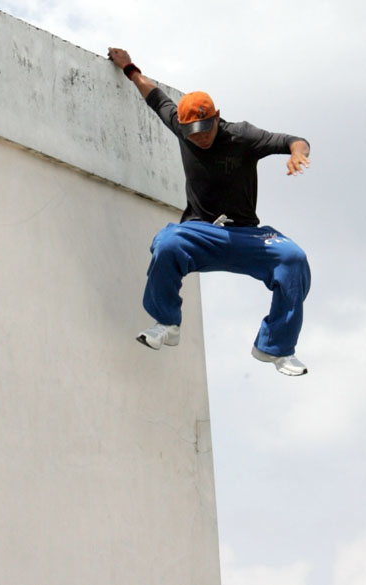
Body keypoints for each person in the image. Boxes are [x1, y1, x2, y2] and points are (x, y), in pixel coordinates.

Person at [108, 48, 311, 376]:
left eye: (206, 129)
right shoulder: (181, 126)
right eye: (192, 132)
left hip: (247, 235)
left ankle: (276, 347)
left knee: (294, 258)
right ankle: (167, 322)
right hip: (201, 232)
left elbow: (293, 140)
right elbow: (154, 96)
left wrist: (297, 155)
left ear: (217, 117)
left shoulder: (243, 136)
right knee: (167, 243)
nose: (199, 138)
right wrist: (129, 67)